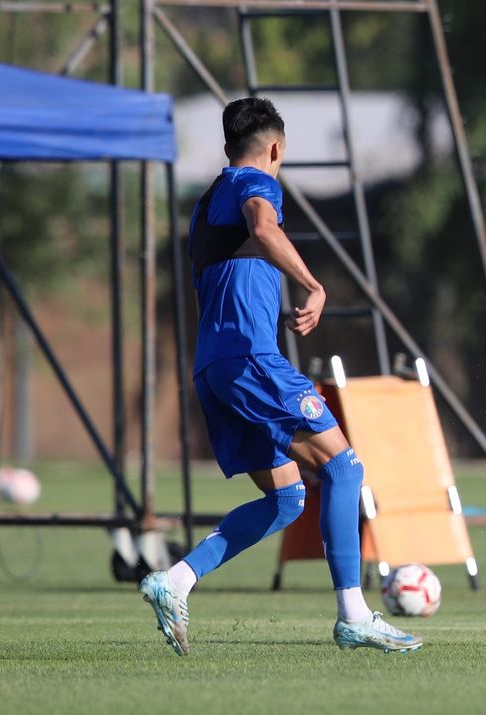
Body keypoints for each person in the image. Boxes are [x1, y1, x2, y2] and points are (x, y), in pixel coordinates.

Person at [138, 97, 421, 656]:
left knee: (288, 499)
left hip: (215, 367)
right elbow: (264, 228)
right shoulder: (256, 184)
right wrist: (314, 284)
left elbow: (240, 257)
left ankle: (175, 581)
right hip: (250, 360)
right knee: (344, 467)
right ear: (276, 149)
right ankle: (354, 615)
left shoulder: (205, 200)